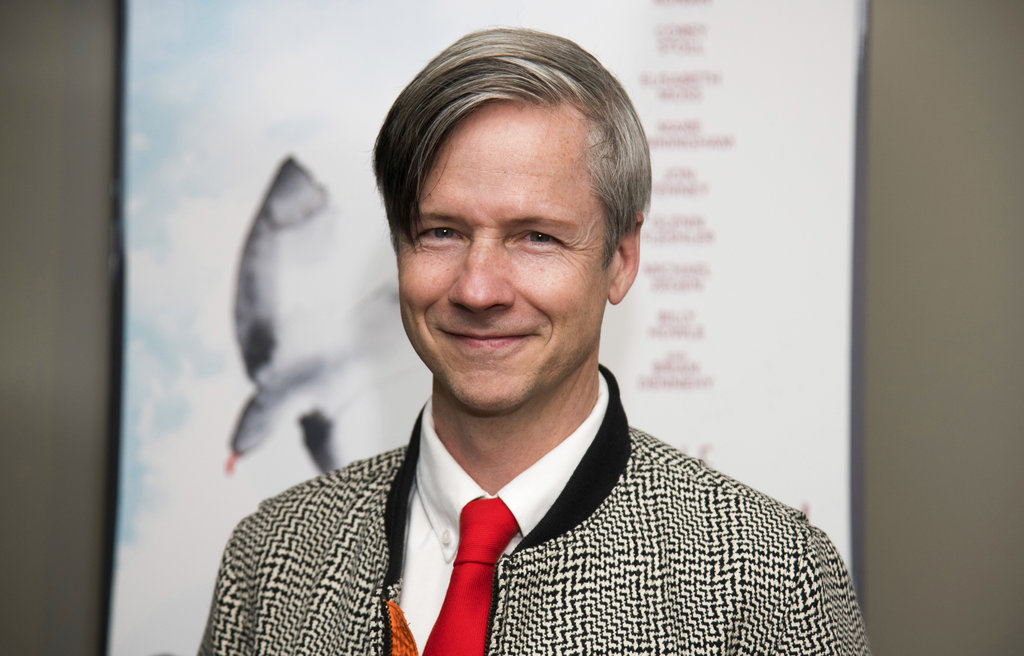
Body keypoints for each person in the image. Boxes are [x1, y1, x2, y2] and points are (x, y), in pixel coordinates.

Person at [200, 28, 869, 655]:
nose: (478, 289)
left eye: (536, 237)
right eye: (441, 231)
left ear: (621, 258)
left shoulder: (771, 580)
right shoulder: (268, 560)